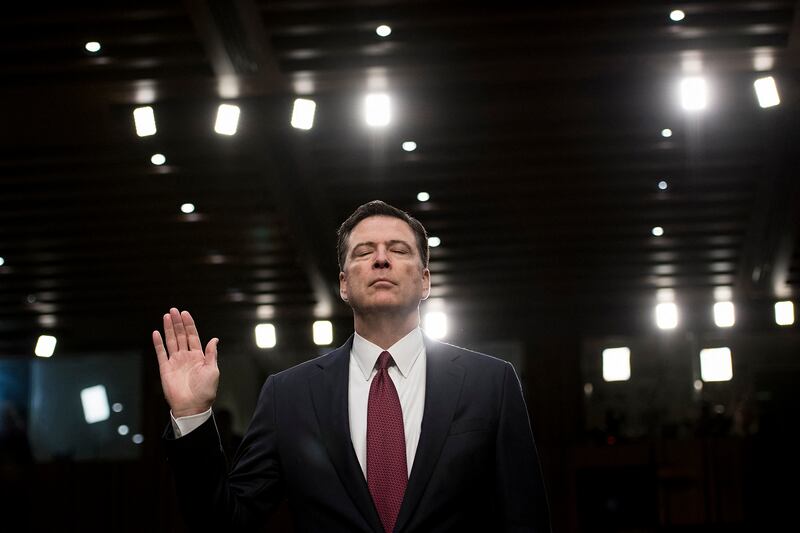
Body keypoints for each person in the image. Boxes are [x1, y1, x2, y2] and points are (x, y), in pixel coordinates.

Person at [154, 200, 551, 532]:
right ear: (344, 284)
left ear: (425, 281)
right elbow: (225, 523)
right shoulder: (288, 395)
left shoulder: (491, 383)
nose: (381, 259)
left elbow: (526, 520)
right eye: (364, 252)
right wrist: (192, 415)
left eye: (398, 250)